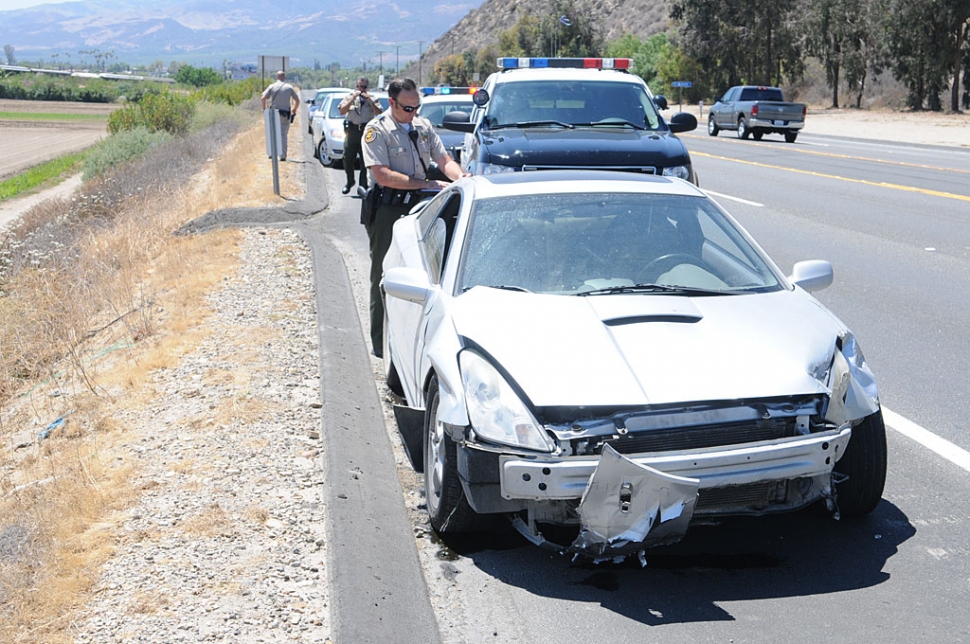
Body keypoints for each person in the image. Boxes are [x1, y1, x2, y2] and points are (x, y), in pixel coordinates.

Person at [361, 77, 469, 357]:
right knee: (384, 274)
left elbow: (444, 160)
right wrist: (427, 184)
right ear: (392, 103)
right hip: (388, 208)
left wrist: (461, 178)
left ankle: (416, 340)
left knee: (424, 274)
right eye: (407, 109)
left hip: (420, 207)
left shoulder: (423, 126)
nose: (414, 114)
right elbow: (382, 174)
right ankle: (381, 343)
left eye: (417, 107)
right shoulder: (377, 130)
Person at [338, 76, 383, 194]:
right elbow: (342, 110)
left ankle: (362, 187)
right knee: (347, 157)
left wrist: (370, 101)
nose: (361, 89)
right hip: (352, 131)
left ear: (367, 87)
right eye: (359, 86)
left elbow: (379, 112)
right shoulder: (349, 97)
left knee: (365, 161)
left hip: (367, 132)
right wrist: (352, 98)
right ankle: (350, 181)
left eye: (363, 87)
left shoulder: (373, 98)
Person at [261, 70, 300, 161]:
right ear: (284, 77)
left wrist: (264, 110)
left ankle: (272, 153)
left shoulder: (272, 86)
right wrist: (294, 109)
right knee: (283, 134)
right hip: (285, 114)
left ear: (277, 77)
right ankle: (282, 155)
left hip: (273, 113)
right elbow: (297, 100)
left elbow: (263, 98)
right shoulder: (289, 87)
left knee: (272, 133)